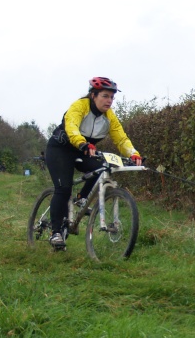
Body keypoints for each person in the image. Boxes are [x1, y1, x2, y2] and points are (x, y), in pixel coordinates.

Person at [45, 76, 143, 247]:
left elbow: (121, 138)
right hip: (61, 149)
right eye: (105, 96)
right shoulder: (79, 106)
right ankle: (55, 233)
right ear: (93, 95)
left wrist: (133, 154)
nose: (109, 101)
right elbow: (72, 127)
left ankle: (81, 198)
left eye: (112, 97)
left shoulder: (109, 116)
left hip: (84, 149)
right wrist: (82, 143)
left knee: (101, 169)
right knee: (63, 188)